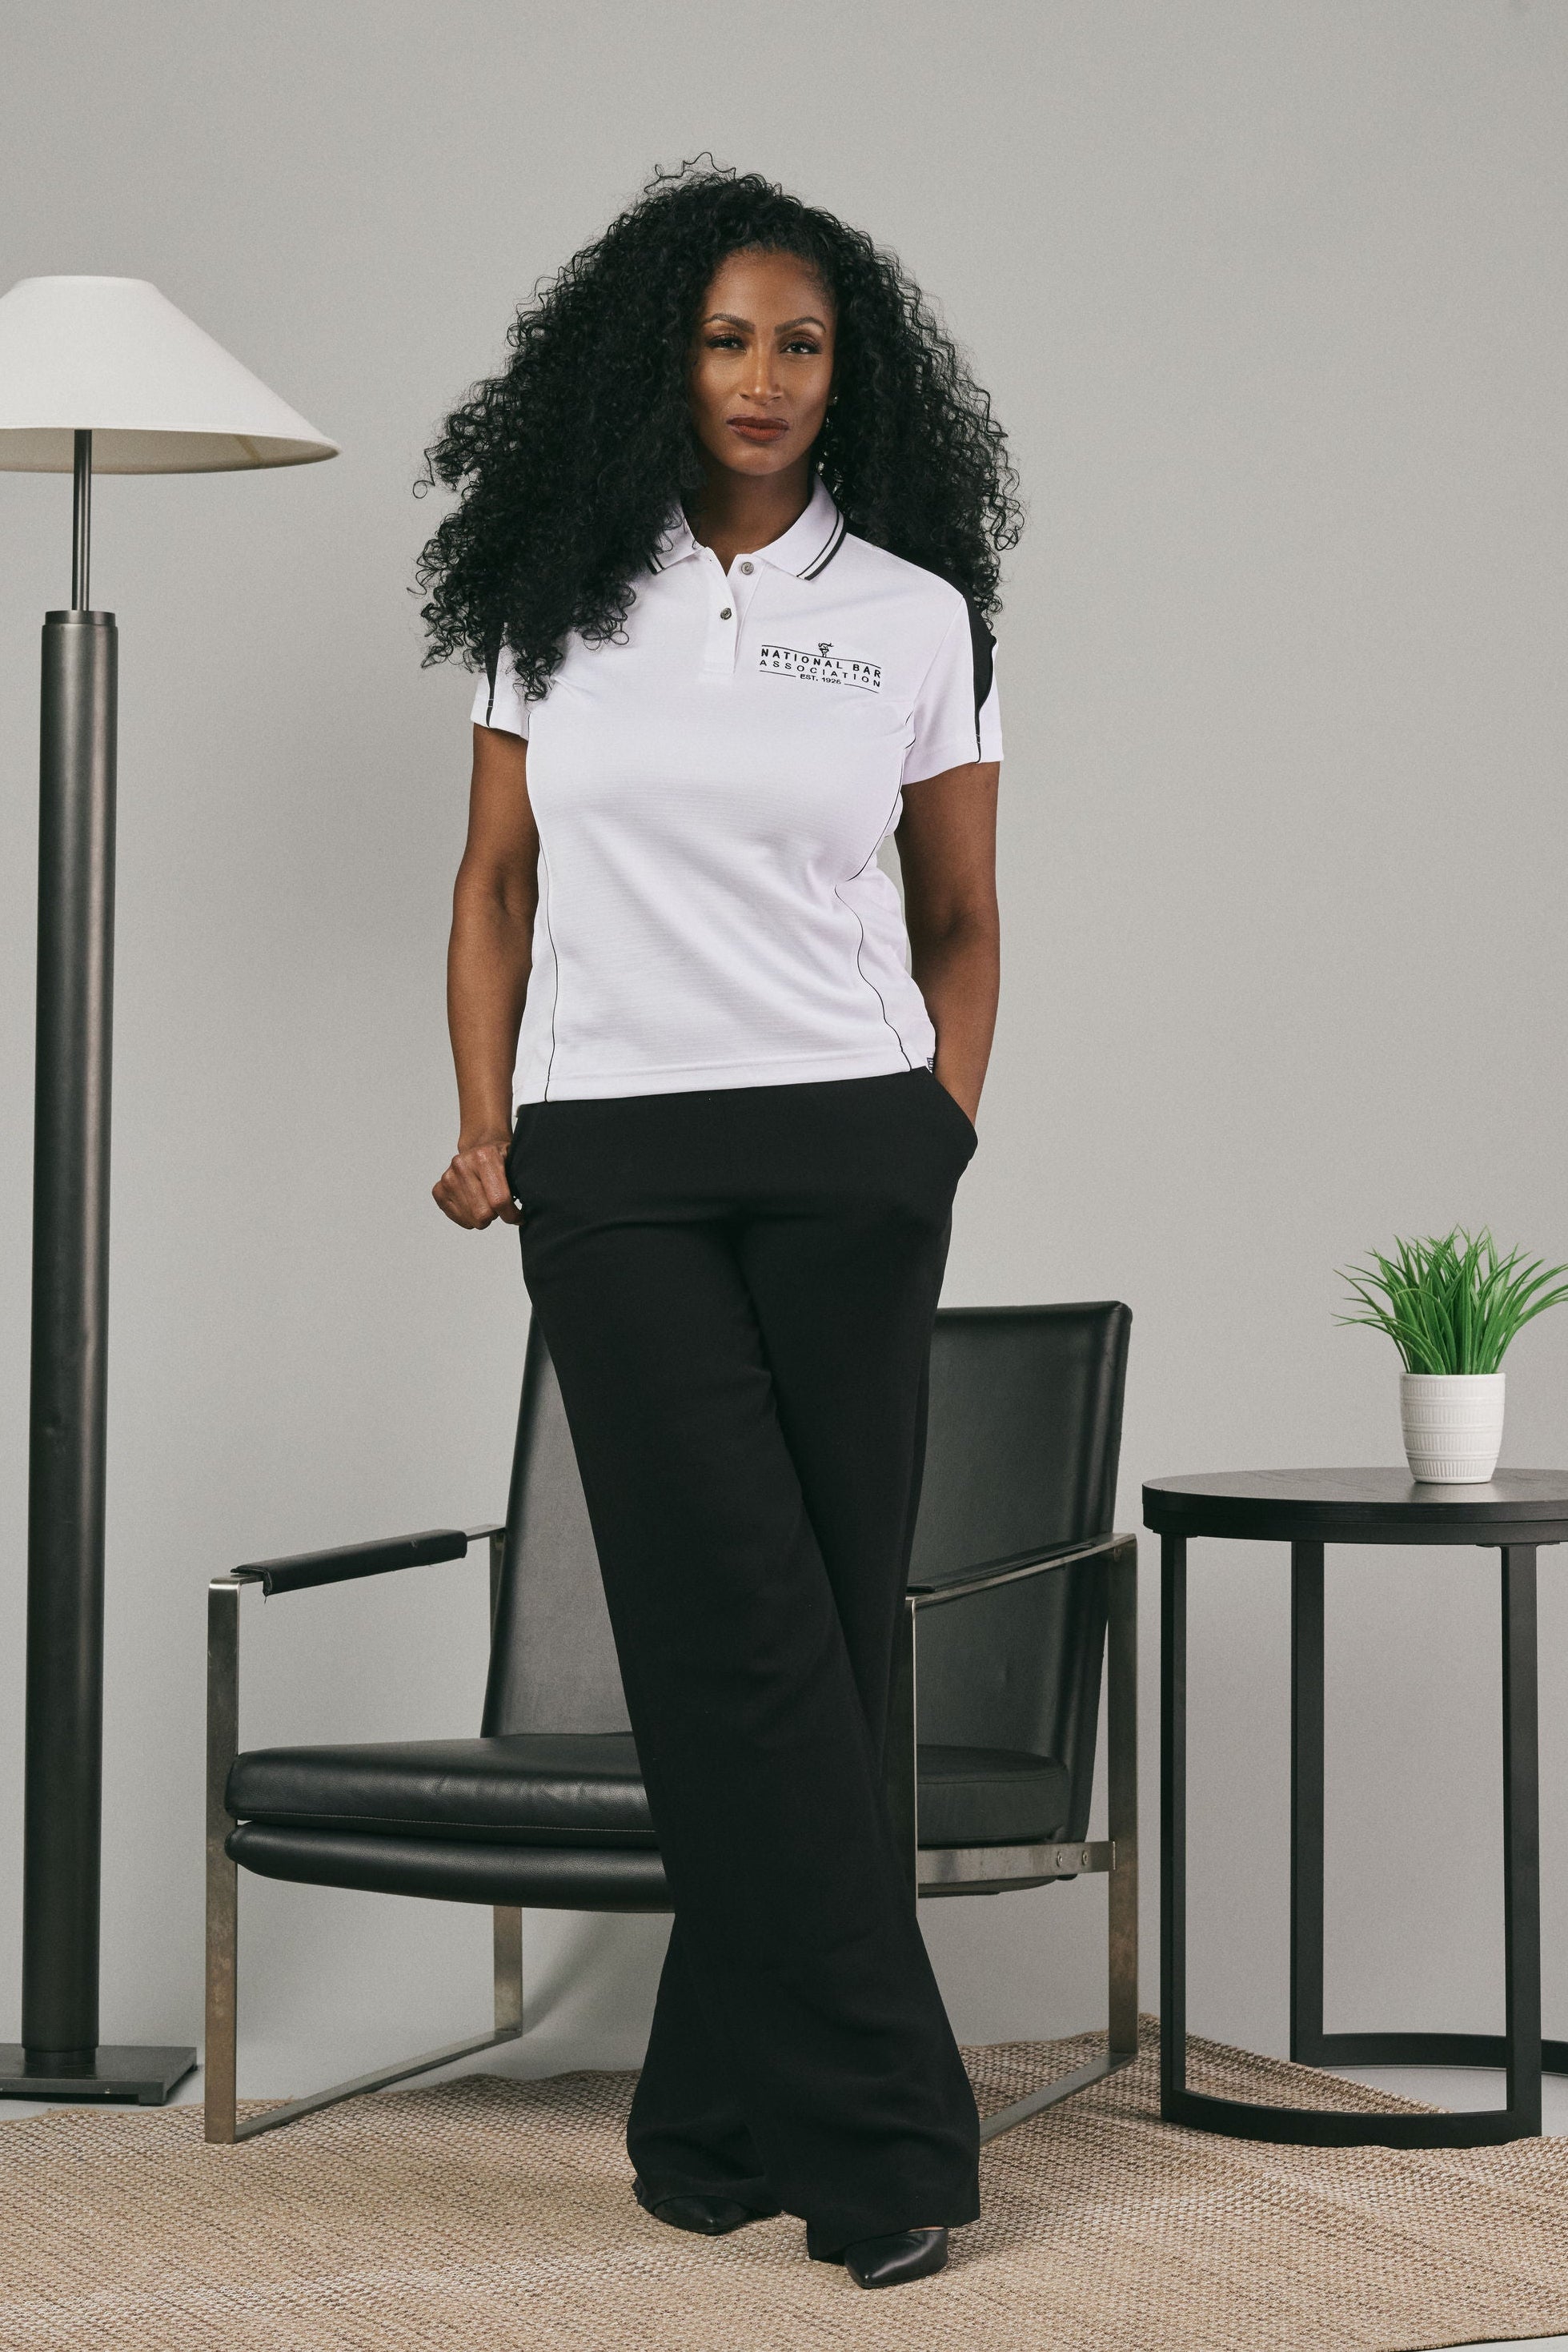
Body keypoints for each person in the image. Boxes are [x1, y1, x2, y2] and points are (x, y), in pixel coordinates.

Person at [419, 163, 1018, 2292]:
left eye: (802, 344)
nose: (763, 380)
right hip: (619, 1164)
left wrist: (930, 1135)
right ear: (659, 358)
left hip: (850, 1156)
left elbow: (962, 917)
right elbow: (496, 884)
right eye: (726, 338)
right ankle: (886, 2139)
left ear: (848, 379)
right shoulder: (554, 594)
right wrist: (490, 1124)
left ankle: (712, 2109)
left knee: (824, 1637)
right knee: (735, 1628)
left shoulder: (919, 614)